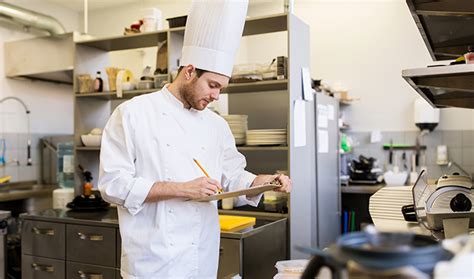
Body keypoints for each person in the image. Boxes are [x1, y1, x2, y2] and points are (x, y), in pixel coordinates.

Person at [99, 0, 292, 278]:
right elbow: (113, 185)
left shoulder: (216, 125)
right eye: (213, 85)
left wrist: (264, 182)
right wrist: (182, 189)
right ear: (189, 71)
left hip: (201, 257)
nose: (216, 96)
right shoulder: (133, 114)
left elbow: (234, 177)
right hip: (153, 261)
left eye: (221, 89)